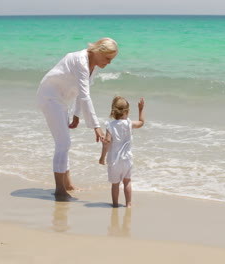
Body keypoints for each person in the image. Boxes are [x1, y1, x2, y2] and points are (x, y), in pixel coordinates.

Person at [37, 37, 118, 199]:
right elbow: (85, 96)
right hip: (49, 96)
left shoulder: (93, 66)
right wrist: (96, 127)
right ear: (98, 52)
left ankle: (68, 185)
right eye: (107, 58)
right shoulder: (80, 61)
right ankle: (60, 190)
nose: (109, 63)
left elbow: (82, 94)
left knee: (65, 142)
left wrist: (76, 115)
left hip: (62, 100)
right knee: (63, 142)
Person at [99, 96, 145, 208]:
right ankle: (128, 204)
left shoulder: (110, 126)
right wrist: (141, 109)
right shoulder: (129, 124)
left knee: (115, 184)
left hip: (114, 161)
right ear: (126, 112)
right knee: (127, 182)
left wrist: (102, 157)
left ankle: (115, 205)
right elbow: (141, 122)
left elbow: (108, 142)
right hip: (127, 160)